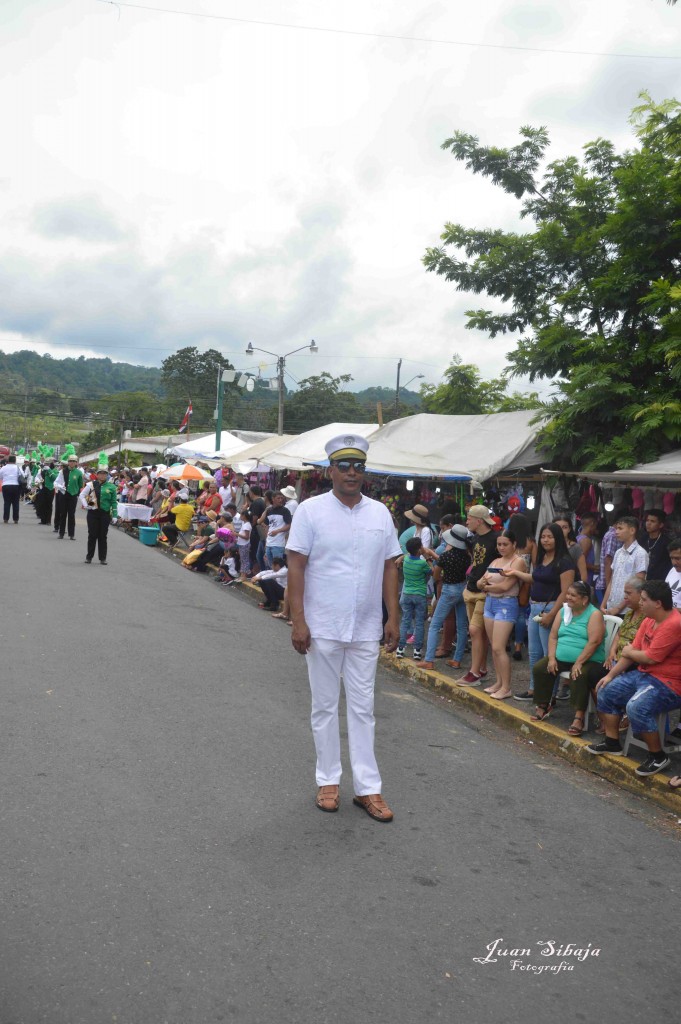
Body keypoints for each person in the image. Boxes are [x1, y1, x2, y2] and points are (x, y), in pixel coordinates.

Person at [287, 433, 401, 822]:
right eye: (345, 466)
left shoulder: (380, 513)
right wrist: (298, 620)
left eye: (359, 467)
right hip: (322, 626)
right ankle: (328, 781)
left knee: (363, 709)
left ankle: (369, 789)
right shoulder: (310, 511)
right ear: (330, 471)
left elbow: (389, 566)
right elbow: (296, 566)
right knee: (323, 706)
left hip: (366, 627)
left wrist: (393, 616)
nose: (353, 473)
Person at [588, 580, 681, 776]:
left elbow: (651, 657)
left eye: (644, 599)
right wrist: (611, 675)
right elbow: (631, 653)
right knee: (605, 689)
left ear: (657, 603)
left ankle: (658, 756)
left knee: (636, 706)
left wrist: (631, 652)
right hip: (645, 675)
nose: (640, 602)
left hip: (670, 684)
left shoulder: (674, 624)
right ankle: (613, 742)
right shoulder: (649, 619)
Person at [507, 523, 575, 701]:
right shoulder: (542, 558)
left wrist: (552, 614)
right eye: (543, 536)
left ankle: (548, 695)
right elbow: (534, 578)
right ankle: (533, 689)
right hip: (535, 609)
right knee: (534, 653)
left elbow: (566, 592)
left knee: (548, 655)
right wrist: (514, 573)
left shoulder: (564, 562)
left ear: (558, 538)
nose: (545, 540)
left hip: (551, 610)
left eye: (550, 537)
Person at [529, 582, 606, 735]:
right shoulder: (564, 611)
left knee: (578, 673)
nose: (568, 597)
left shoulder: (594, 614)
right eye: (568, 594)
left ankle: (579, 716)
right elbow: (553, 636)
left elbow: (595, 641)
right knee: (540, 668)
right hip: (562, 657)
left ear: (584, 599)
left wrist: (578, 662)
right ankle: (544, 705)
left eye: (573, 595)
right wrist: (551, 658)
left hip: (589, 659)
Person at [478, 530, 527, 700]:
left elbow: (506, 586)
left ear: (514, 544)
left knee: (499, 647)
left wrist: (486, 587)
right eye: (499, 544)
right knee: (494, 647)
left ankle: (506, 687)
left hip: (506, 603)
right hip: (490, 603)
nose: (501, 547)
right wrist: (483, 585)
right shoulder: (496, 560)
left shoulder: (517, 561)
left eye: (505, 544)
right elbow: (480, 581)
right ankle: (499, 682)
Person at [414, 525, 470, 670]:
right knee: (462, 626)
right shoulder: (467, 556)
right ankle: (457, 660)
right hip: (463, 589)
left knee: (434, 625)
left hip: (449, 590)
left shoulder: (446, 556)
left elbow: (436, 575)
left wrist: (429, 558)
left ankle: (429, 660)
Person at [458, 505, 499, 685]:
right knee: (478, 634)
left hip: (485, 591)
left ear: (479, 520)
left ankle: (473, 673)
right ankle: (481, 669)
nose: (467, 521)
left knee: (474, 631)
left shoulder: (496, 539)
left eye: (469, 518)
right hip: (471, 588)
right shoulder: (474, 539)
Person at [601, 516, 648, 615]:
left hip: (628, 610)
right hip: (611, 606)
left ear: (632, 530)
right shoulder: (618, 552)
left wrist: (618, 608)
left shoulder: (640, 553)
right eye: (616, 528)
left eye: (620, 528)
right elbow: (612, 581)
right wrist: (603, 604)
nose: (616, 532)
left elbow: (639, 586)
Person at [396, 536, 431, 660]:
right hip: (420, 595)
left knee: (405, 620)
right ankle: (417, 651)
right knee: (420, 623)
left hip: (406, 594)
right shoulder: (422, 563)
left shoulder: (405, 560)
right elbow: (431, 571)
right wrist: (427, 557)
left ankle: (400, 648)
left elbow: (406, 556)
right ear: (418, 550)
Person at [80, 454, 118, 564]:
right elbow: (82, 495)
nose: (102, 475)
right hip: (93, 513)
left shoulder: (111, 487)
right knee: (92, 535)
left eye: (104, 474)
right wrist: (85, 504)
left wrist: (115, 515)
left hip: (104, 514)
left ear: (107, 475)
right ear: (97, 474)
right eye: (100, 473)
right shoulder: (91, 484)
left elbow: (113, 502)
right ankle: (89, 557)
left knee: (103, 536)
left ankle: (102, 558)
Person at [53, 454, 84, 540]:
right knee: (63, 514)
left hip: (73, 496)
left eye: (74, 461)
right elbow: (56, 482)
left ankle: (71, 534)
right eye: (70, 461)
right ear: (68, 462)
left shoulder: (79, 472)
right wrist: (61, 487)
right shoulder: (63, 471)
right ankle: (61, 533)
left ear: (76, 463)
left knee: (71, 515)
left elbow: (80, 484)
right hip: (63, 495)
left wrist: (77, 493)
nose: (72, 463)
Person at [638, 509, 672, 582]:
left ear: (661, 525)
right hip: (641, 580)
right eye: (647, 520)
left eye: (652, 521)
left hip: (658, 583)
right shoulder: (642, 539)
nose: (648, 523)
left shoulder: (667, 543)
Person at [260, 491, 292, 567]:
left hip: (278, 544)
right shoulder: (269, 510)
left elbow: (289, 525)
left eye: (281, 498)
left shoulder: (285, 511)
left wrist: (278, 531)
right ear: (273, 499)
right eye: (278, 498)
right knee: (271, 567)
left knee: (278, 567)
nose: (280, 500)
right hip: (269, 543)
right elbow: (267, 526)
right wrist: (266, 543)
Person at [553, 516, 588, 584]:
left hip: (569, 588)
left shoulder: (575, 548)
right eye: (557, 527)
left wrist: (579, 591)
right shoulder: (547, 546)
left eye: (565, 527)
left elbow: (583, 575)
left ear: (569, 529)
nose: (561, 530)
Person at [576, 512, 599, 585]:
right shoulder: (586, 541)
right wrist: (595, 567)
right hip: (584, 580)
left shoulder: (577, 538)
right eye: (596, 525)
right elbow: (580, 562)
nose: (596, 528)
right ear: (592, 523)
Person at [0, 455, 22, 524]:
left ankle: (6, 518)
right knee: (15, 503)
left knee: (7, 502)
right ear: (15, 461)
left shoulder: (3, 468)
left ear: (8, 461)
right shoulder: (18, 468)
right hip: (16, 486)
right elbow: (22, 476)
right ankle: (16, 519)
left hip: (6, 485)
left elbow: (0, 477)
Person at [665, 538, 681, 610]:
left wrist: (671, 610)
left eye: (677, 558)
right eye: (671, 558)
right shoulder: (672, 570)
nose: (674, 563)